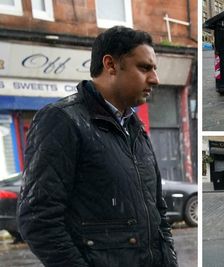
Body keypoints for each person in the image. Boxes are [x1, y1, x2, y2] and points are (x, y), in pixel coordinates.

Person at [17, 26, 178, 267]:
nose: (155, 78)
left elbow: (158, 214)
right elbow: (38, 220)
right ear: (111, 65)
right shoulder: (63, 121)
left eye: (154, 69)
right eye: (145, 68)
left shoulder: (134, 128)